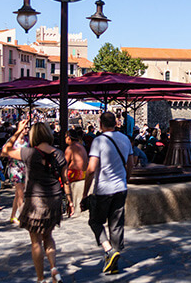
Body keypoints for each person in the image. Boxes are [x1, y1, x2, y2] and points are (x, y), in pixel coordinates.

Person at [2, 119, 72, 283]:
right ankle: (54, 269)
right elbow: (65, 179)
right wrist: (70, 201)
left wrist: (18, 131)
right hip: (54, 198)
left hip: (35, 200)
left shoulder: (28, 153)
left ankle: (41, 278)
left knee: (35, 242)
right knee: (48, 236)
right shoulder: (59, 153)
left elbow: (5, 151)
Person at [83, 112, 136, 275]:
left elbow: (91, 169)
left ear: (100, 124)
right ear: (116, 123)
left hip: (103, 189)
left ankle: (109, 251)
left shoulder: (98, 141)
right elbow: (131, 164)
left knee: (95, 221)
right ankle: (114, 261)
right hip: (120, 188)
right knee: (116, 224)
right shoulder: (125, 139)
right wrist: (125, 178)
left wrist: (85, 193)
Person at [6, 130, 28, 225]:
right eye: (24, 128)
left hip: (24, 167)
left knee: (18, 194)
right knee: (20, 192)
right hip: (15, 167)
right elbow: (6, 151)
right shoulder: (13, 141)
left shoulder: (28, 141)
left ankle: (13, 216)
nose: (26, 129)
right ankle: (23, 216)